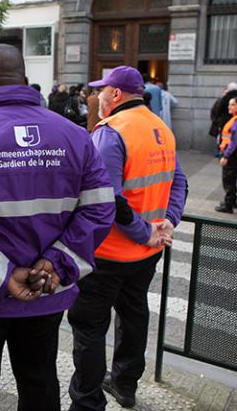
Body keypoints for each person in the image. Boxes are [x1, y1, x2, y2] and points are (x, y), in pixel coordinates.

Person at [0, 44, 115, 411]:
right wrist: (54, 267)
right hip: (45, 293)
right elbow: (100, 210)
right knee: (40, 381)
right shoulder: (77, 137)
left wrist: (1, 277)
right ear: (26, 82)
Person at [68, 66, 187, 411]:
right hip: (146, 254)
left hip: (108, 254)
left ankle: (88, 402)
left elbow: (108, 199)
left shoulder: (112, 131)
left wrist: (146, 231)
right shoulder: (161, 128)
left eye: (102, 90)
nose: (98, 96)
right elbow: (179, 181)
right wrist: (168, 223)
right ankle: (125, 384)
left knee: (89, 327)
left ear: (115, 94)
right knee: (134, 314)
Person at [215, 97, 237, 213]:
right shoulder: (234, 119)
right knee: (231, 179)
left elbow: (234, 142)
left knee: (228, 180)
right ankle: (232, 201)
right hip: (232, 154)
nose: (229, 107)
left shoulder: (236, 121)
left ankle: (228, 205)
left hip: (231, 155)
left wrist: (226, 156)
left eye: (232, 105)